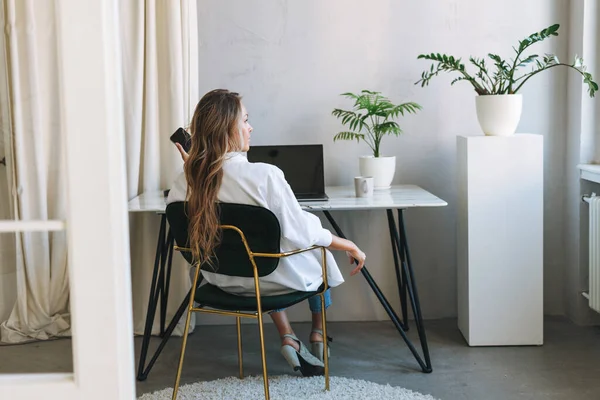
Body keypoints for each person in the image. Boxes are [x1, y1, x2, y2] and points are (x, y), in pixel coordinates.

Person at [167, 89, 366, 376]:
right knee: (315, 248)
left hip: (218, 280)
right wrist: (347, 244)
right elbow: (301, 233)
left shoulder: (184, 180)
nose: (250, 128)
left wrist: (192, 172)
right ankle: (318, 333)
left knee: (259, 251)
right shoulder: (266, 176)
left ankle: (288, 336)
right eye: (245, 120)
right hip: (267, 283)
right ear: (228, 130)